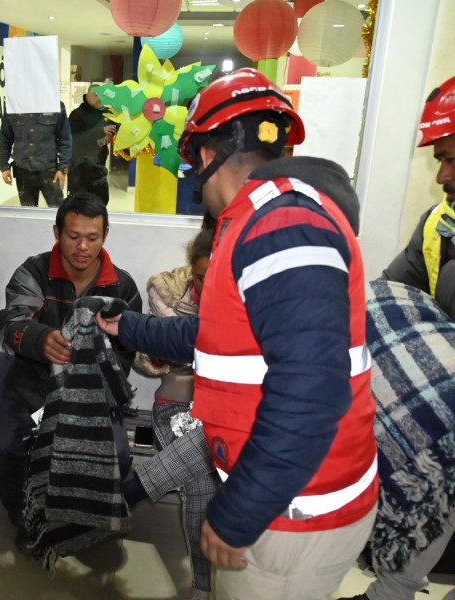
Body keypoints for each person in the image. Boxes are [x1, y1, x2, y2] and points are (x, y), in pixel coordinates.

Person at [95, 68, 378, 600]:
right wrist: (126, 326)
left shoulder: (280, 225)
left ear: (204, 156)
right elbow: (225, 339)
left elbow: (311, 394)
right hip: (290, 498)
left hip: (291, 510)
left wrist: (238, 512)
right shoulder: (267, 223)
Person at [0, 192, 142, 527]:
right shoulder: (34, 272)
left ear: (105, 236)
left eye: (92, 238)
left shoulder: (122, 287)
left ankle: (80, 522)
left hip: (94, 397)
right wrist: (41, 341)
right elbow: (10, 321)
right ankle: (25, 518)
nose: (82, 247)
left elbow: (126, 353)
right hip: (32, 387)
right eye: (73, 236)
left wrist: (91, 374)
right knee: (0, 449)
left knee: (119, 457)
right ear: (57, 233)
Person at [338, 280, 455, 600]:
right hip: (436, 403)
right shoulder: (389, 290)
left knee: (428, 496)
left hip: (430, 420)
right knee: (438, 501)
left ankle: (388, 593)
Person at [127, 228, 217, 600]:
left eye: (217, 278)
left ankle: (127, 494)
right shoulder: (169, 293)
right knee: (201, 480)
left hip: (222, 414)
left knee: (201, 480)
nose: (206, 286)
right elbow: (152, 358)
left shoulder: (253, 304)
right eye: (200, 277)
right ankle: (202, 583)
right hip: (177, 405)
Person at [383, 75, 455, 320]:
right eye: (440, 161)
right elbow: (389, 290)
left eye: (452, 161)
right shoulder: (437, 223)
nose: (441, 177)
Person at [0, 101, 72, 207]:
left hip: (49, 170)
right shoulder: (13, 107)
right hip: (23, 170)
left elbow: (65, 139)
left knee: (58, 212)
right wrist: (4, 167)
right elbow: (5, 139)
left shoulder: (55, 105)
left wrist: (63, 169)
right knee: (28, 214)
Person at [67, 84, 116, 205]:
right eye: (95, 95)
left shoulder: (107, 113)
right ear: (87, 97)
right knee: (78, 205)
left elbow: (117, 125)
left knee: (101, 202)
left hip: (98, 167)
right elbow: (75, 138)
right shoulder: (76, 114)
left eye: (101, 95)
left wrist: (112, 134)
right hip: (79, 169)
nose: (99, 98)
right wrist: (100, 131)